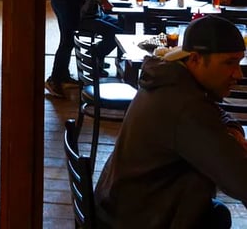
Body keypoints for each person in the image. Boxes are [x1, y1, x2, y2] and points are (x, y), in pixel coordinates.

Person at [95, 15, 247, 229]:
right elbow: (241, 180)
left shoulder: (170, 80)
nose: (238, 73)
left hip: (120, 207)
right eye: (229, 63)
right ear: (195, 59)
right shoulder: (185, 107)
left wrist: (231, 129)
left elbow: (215, 113)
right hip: (135, 220)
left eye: (239, 62)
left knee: (217, 214)